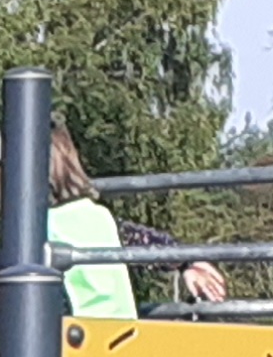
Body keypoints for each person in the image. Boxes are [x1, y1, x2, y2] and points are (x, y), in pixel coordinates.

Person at [40, 123, 228, 320]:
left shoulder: (37, 225)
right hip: (121, 331)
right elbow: (148, 243)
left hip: (70, 332)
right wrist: (187, 262)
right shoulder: (100, 217)